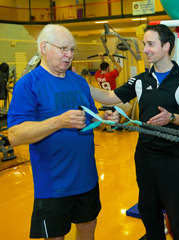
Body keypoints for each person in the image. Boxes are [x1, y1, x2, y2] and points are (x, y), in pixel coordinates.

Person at [89, 24, 179, 240]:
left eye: (150, 44)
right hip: (144, 157)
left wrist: (173, 118)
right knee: (149, 213)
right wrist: (78, 83)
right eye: (145, 44)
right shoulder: (140, 81)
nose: (145, 49)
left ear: (166, 46)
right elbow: (109, 98)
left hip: (171, 160)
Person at [7, 24, 119, 240]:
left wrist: (105, 120)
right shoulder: (28, 85)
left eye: (72, 49)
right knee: (56, 236)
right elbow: (15, 135)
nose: (69, 55)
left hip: (87, 178)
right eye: (63, 49)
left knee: (88, 225)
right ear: (44, 48)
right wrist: (58, 122)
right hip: (53, 184)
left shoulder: (78, 82)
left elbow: (92, 119)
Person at [94, 54, 132, 121]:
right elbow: (119, 68)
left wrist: (102, 59)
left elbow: (101, 68)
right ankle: (120, 124)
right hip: (111, 100)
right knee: (129, 108)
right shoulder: (110, 75)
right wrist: (112, 59)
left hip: (102, 101)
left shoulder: (97, 75)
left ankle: (114, 121)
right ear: (108, 68)